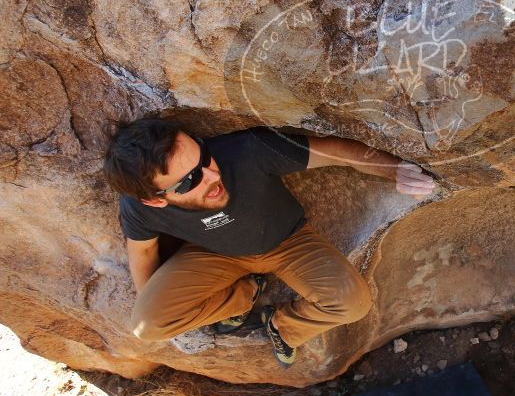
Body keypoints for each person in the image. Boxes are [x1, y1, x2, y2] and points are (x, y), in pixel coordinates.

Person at [102, 118, 435, 368]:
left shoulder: (245, 152)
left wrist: (394, 169)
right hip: (215, 256)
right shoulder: (137, 209)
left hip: (288, 241)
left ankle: (282, 326)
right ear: (155, 200)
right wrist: (161, 302)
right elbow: (143, 250)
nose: (212, 175)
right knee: (147, 324)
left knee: (353, 303)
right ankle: (246, 295)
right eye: (190, 180)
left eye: (204, 157)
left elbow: (330, 150)